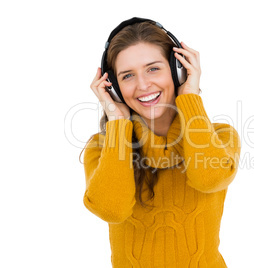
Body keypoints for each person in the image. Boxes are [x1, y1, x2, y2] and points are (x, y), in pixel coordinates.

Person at [81, 17, 241, 267]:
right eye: (127, 76)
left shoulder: (220, 136)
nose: (143, 85)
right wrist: (117, 123)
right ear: (113, 87)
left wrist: (190, 98)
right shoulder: (102, 148)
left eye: (153, 68)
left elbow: (209, 178)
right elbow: (112, 210)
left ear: (178, 70)